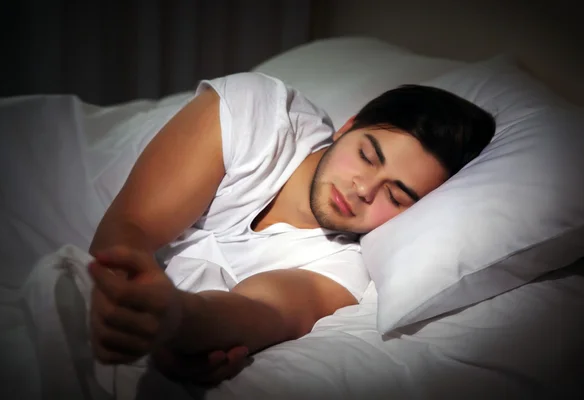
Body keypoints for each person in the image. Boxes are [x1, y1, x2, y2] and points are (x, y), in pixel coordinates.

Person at [87, 72, 495, 386]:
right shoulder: (259, 115)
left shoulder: (344, 270)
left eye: (397, 195)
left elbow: (257, 310)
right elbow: (132, 226)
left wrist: (176, 324)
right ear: (347, 127)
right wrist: (121, 293)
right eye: (367, 156)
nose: (363, 189)